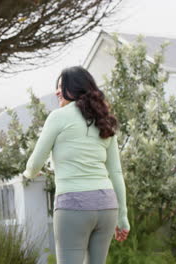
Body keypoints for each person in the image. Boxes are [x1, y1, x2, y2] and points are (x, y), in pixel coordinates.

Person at [23, 66, 130, 264]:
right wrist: (123, 216)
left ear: (75, 88)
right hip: (107, 206)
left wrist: (29, 173)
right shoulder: (104, 120)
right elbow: (115, 171)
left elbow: (35, 163)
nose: (57, 91)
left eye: (62, 86)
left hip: (74, 205)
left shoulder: (58, 117)